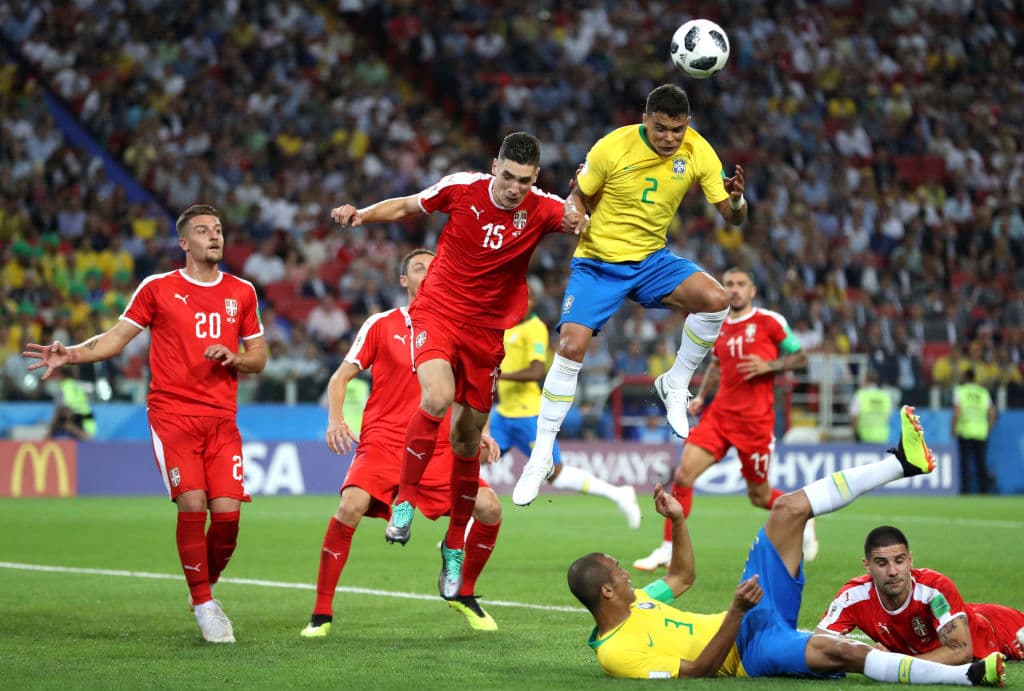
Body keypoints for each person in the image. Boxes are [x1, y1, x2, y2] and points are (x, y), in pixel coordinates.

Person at [567, 406, 1006, 685]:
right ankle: (967, 677)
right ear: (606, 590)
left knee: (787, 510)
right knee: (844, 652)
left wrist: (679, 522)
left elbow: (681, 577)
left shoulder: (641, 599)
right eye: (618, 569)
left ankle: (901, 462)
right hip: (751, 653)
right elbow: (698, 672)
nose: (627, 573)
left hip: (753, 613)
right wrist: (737, 613)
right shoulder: (616, 653)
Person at [330, 132, 573, 600]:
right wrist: (361, 214)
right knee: (438, 396)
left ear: (535, 178)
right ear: (494, 165)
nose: (513, 188)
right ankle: (404, 501)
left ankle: (453, 545)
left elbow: (583, 217)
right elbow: (406, 205)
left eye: (523, 180)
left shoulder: (543, 208)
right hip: (438, 312)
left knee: (465, 441)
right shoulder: (462, 187)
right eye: (506, 176)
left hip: (486, 332)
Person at [23, 204, 266, 644]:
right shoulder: (159, 288)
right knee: (193, 505)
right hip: (172, 415)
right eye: (203, 230)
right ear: (184, 243)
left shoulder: (242, 292)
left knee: (228, 520)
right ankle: (205, 604)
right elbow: (115, 340)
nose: (214, 236)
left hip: (222, 420)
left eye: (218, 229)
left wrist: (238, 358)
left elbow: (260, 356)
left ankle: (201, 591)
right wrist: (72, 353)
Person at [516, 84, 748, 506]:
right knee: (570, 347)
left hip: (651, 261)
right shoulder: (613, 147)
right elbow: (578, 195)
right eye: (660, 129)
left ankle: (675, 384)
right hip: (599, 264)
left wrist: (737, 199)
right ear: (646, 119)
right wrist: (576, 212)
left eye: (677, 130)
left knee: (716, 299)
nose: (668, 139)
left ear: (687, 125)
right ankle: (540, 457)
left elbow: (732, 218)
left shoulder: (698, 151)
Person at [301, 249, 505, 637]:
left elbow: (476, 390)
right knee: (350, 506)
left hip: (440, 447)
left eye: (435, 269)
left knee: (491, 508)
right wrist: (335, 419)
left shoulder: (460, 329)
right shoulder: (381, 324)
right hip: (385, 443)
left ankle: (463, 591)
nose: (428, 274)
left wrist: (483, 432)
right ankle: (321, 613)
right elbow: (340, 378)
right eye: (418, 268)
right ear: (403, 280)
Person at [632, 267, 813, 572]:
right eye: (729, 284)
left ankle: (806, 512)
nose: (734, 289)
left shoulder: (770, 322)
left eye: (741, 284)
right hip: (719, 417)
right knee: (684, 475)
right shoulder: (717, 323)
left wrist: (770, 365)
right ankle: (666, 549)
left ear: (752, 291)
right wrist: (702, 397)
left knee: (760, 496)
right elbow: (715, 365)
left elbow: (801, 358)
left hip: (755, 423)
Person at [489, 276, 641, 529]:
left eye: (524, 296)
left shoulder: (535, 328)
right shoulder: (508, 327)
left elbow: (538, 371)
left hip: (528, 415)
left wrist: (502, 375)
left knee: (555, 473)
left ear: (533, 300)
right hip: (503, 413)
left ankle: (619, 494)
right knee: (474, 460)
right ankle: (465, 530)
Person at [817, 525, 1024, 664]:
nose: (892, 571)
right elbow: (818, 646)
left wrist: (894, 663)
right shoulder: (853, 597)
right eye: (882, 563)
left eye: (899, 560)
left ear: (910, 560)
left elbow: (961, 651)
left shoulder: (934, 589)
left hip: (1001, 631)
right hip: (961, 614)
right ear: (867, 566)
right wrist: (865, 652)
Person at [952, 369, 996, 494]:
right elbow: (992, 414)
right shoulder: (983, 393)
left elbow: (957, 412)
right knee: (981, 463)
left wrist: (953, 428)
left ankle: (965, 491)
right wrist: (988, 428)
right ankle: (983, 491)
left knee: (965, 463)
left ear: (965, 378)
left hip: (965, 431)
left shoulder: (961, 391)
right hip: (981, 433)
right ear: (974, 378)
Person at [851, 369, 896, 444]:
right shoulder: (885, 396)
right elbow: (889, 416)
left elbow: (854, 416)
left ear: (865, 380)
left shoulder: (860, 395)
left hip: (864, 435)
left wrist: (854, 432)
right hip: (882, 435)